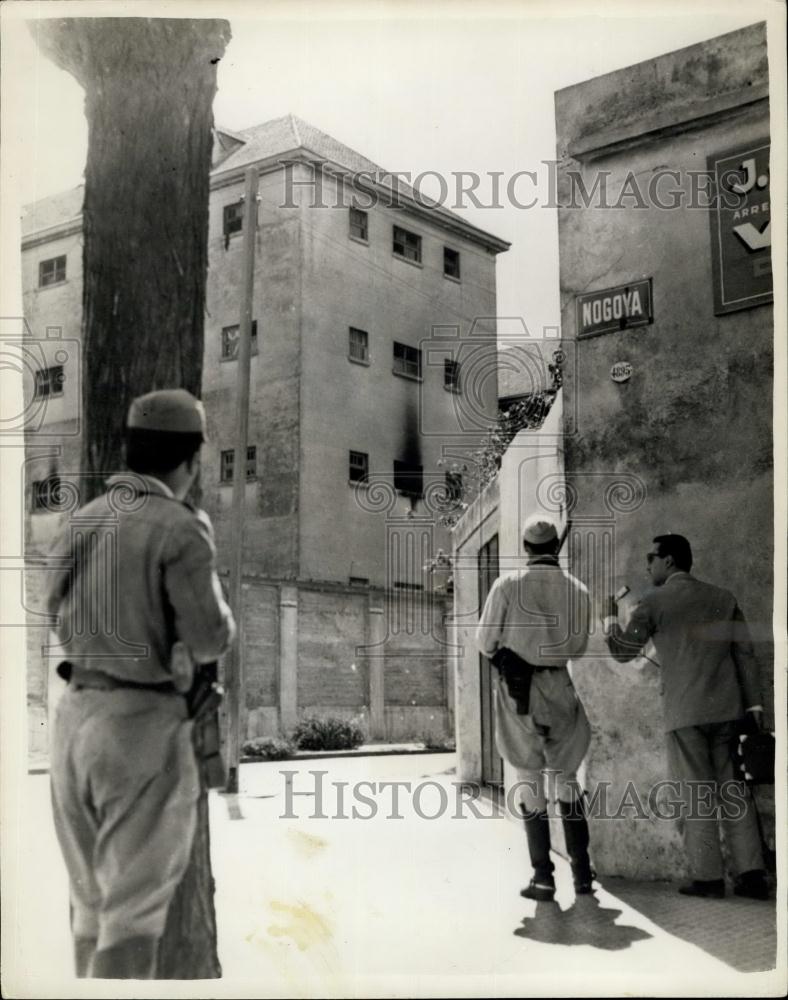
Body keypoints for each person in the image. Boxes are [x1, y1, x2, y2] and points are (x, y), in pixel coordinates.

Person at [46, 389, 236, 978]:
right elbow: (208, 636)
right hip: (141, 727)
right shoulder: (180, 527)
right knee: (129, 926)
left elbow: (53, 607)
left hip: (73, 717)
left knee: (90, 912)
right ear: (191, 460)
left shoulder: (82, 519)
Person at [603, 532, 768, 900]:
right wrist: (755, 706)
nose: (647, 565)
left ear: (670, 561)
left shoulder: (653, 601)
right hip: (729, 710)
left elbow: (623, 652)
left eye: (652, 558)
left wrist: (608, 620)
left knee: (696, 794)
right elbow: (745, 656)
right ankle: (752, 876)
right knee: (734, 791)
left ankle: (709, 878)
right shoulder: (723, 598)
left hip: (685, 713)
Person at [476, 515, 592, 902]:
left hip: (519, 691)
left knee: (528, 779)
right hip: (560, 686)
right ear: (554, 545)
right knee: (567, 779)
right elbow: (576, 648)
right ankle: (582, 876)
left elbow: (484, 641)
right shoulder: (578, 589)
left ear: (526, 548)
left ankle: (543, 878)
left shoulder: (507, 585)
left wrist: (511, 653)